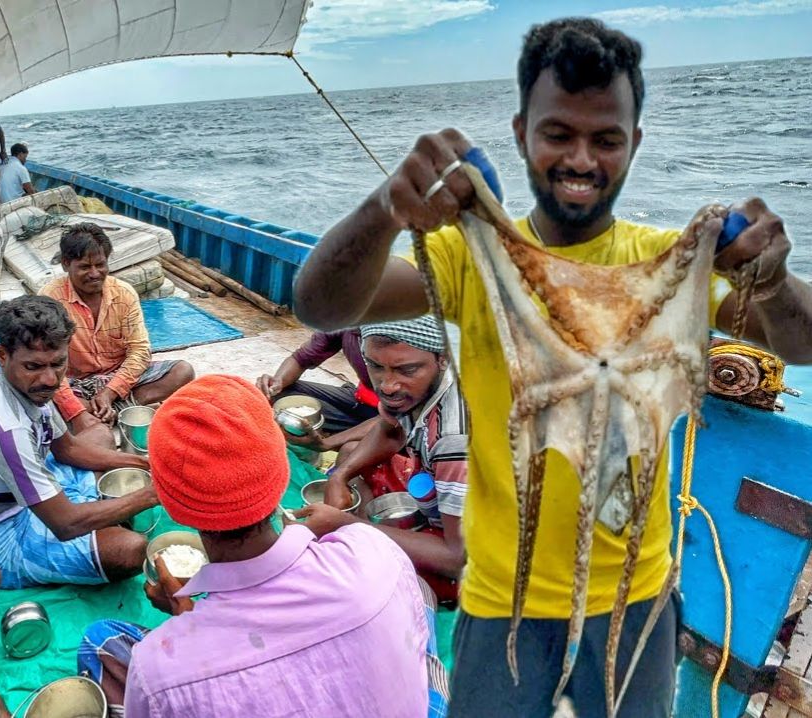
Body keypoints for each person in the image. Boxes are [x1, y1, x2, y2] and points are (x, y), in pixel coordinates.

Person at [292, 17, 812, 717]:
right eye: (558, 133)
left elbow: (800, 340)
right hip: (497, 595)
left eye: (605, 139)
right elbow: (320, 302)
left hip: (636, 599)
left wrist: (771, 279)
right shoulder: (470, 259)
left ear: (634, 144)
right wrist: (387, 207)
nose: (580, 159)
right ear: (519, 134)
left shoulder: (668, 265)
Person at [73, 375, 434, 718]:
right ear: (281, 474)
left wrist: (187, 623)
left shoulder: (160, 670)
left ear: (168, 504)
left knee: (100, 639)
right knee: (418, 594)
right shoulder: (374, 550)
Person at [0, 295, 156, 589]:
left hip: (21, 493)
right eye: (34, 366)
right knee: (131, 550)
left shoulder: (26, 388)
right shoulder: (6, 429)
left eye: (59, 363)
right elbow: (66, 525)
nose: (50, 379)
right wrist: (155, 494)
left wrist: (144, 462)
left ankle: (100, 511)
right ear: (2, 355)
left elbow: (68, 449)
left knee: (101, 435)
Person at [305, 316, 468, 604]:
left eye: (406, 370)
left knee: (366, 583)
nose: (388, 385)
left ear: (442, 359)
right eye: (376, 366)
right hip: (435, 488)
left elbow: (458, 558)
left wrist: (344, 525)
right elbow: (391, 430)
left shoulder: (453, 439)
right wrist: (340, 475)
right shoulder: (416, 389)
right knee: (349, 456)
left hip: (476, 555)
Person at [40, 223, 195, 425]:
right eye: (85, 267)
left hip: (117, 377)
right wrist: (73, 404)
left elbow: (139, 351)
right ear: (66, 264)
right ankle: (109, 410)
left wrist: (110, 393)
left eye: (100, 265)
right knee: (42, 392)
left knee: (183, 371)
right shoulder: (50, 299)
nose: (95, 273)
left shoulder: (124, 293)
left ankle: (109, 409)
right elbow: (47, 360)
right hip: (73, 382)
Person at [257, 326, 381, 452]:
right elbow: (301, 358)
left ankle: (355, 437)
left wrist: (327, 443)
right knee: (279, 396)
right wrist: (278, 382)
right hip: (363, 399)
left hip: (393, 418)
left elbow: (396, 417)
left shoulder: (394, 336)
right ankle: (355, 433)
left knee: (351, 449)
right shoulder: (344, 322)